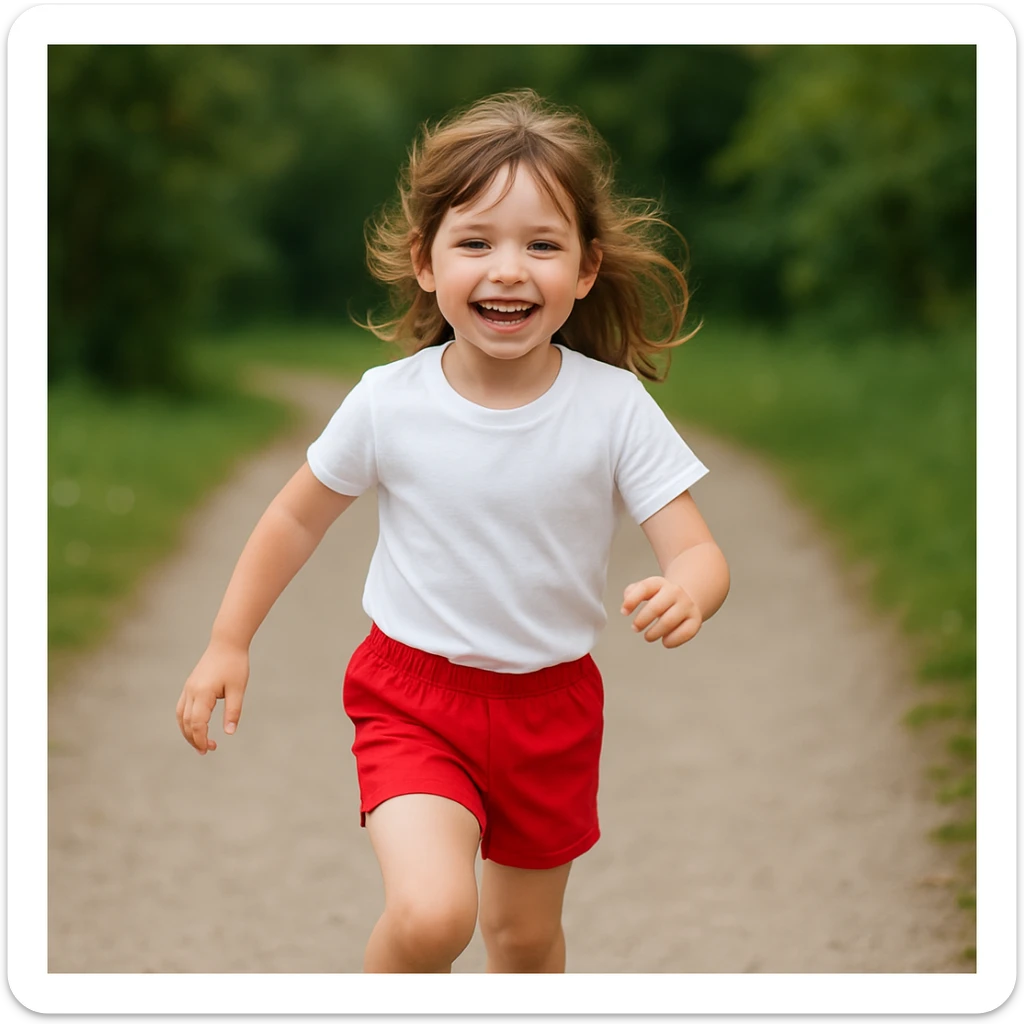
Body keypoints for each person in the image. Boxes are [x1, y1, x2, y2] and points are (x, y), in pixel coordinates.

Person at [176, 88, 730, 974]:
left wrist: (688, 590)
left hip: (551, 712)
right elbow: (293, 515)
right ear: (426, 262)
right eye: (475, 242)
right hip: (412, 700)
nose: (508, 269)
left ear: (585, 270)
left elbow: (697, 550)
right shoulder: (388, 403)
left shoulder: (612, 409)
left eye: (541, 245)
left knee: (524, 939)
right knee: (434, 917)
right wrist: (227, 640)